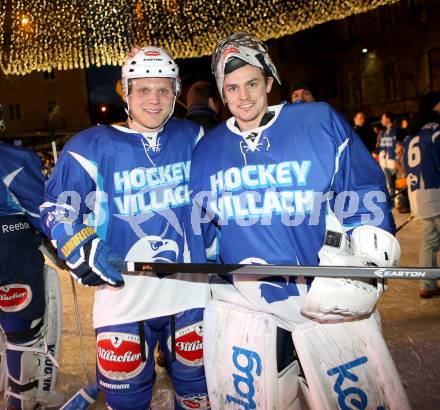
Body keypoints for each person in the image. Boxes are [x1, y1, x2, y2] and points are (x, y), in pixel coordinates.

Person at [190, 32, 409, 409]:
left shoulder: (318, 121)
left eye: (252, 84)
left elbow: (360, 188)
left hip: (324, 300)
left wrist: (369, 248)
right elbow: (204, 228)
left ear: (270, 83)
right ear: (222, 94)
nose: (243, 97)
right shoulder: (208, 151)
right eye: (232, 87)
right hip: (251, 305)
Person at [41, 48, 211, 409]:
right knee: (127, 401)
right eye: (144, 89)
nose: (154, 99)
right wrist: (77, 242)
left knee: (197, 396)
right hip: (123, 298)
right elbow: (57, 208)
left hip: (192, 296)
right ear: (126, 92)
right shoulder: (89, 146)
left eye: (164, 90)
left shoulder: (192, 135)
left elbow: (220, 196)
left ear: (176, 93)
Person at [0, 105, 62, 409]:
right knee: (20, 334)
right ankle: (20, 400)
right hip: (11, 254)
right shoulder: (14, 160)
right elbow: (44, 213)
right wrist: (64, 251)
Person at [404, 92, 440, 298]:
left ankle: (427, 283)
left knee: (429, 241)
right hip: (437, 190)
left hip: (421, 195)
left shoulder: (411, 136)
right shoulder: (436, 131)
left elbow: (408, 167)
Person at [378, 112, 398, 198]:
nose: (381, 121)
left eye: (383, 118)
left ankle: (400, 201)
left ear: (388, 119)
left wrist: (398, 160)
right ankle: (391, 201)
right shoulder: (382, 132)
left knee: (397, 183)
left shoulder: (397, 130)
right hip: (384, 162)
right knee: (388, 184)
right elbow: (381, 146)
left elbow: (399, 146)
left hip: (394, 161)